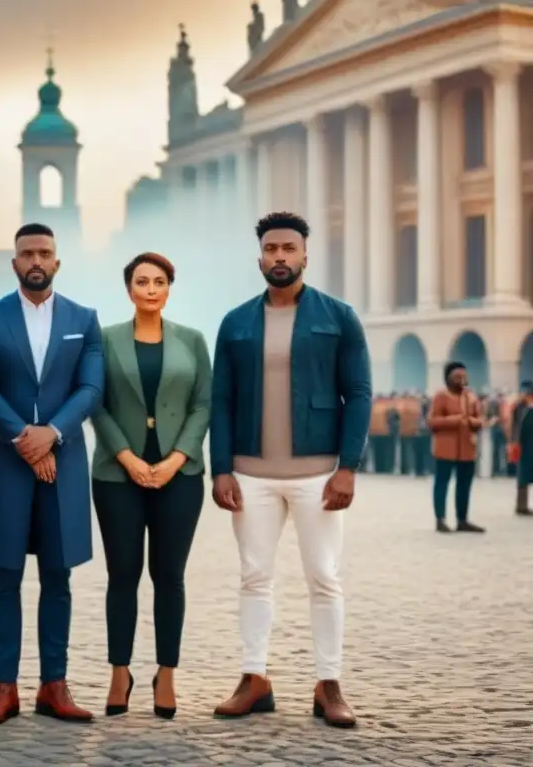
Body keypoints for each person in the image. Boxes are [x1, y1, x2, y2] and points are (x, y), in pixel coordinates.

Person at [210, 211, 371, 729]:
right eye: (271, 249)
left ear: (306, 255)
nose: (280, 256)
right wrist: (221, 470)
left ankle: (329, 684)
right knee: (254, 577)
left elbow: (360, 393)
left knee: (324, 578)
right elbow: (221, 400)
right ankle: (254, 679)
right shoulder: (235, 322)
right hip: (250, 475)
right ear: (259, 257)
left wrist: (347, 468)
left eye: (289, 248)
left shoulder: (338, 316)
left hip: (318, 475)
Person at [0, 222, 104, 725]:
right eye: (27, 253)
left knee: (58, 576)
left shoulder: (83, 319)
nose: (36, 260)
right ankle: (4, 688)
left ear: (57, 261)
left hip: (62, 463)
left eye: (45, 252)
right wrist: (27, 438)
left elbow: (90, 389)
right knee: (5, 576)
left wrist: (53, 434)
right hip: (4, 462)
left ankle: (55, 685)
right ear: (15, 263)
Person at [90, 252, 211, 719]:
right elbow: (96, 404)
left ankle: (167, 673)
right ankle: (119, 671)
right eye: (142, 281)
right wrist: (128, 458)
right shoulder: (105, 340)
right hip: (118, 476)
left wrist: (177, 457)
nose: (151, 289)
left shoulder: (193, 341)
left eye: (160, 281)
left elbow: (203, 404)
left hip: (179, 477)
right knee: (122, 576)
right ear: (129, 289)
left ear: (169, 288)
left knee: (169, 577)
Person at [429, 362, 485, 533]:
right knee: (442, 483)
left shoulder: (471, 397)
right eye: (457, 377)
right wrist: (455, 419)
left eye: (463, 377)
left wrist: (471, 421)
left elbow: (479, 420)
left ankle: (463, 520)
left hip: (467, 449)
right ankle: (441, 519)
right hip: (446, 449)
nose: (461, 380)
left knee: (465, 485)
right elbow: (432, 421)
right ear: (448, 379)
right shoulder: (441, 396)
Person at [510, 381, 533, 516]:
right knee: (523, 477)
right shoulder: (519, 407)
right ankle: (521, 506)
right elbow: (515, 426)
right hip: (523, 446)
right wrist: (513, 442)